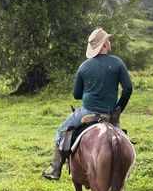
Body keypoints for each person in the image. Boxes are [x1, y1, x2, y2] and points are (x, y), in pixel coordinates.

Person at [42, 27, 133, 181]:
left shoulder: (84, 66)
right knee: (122, 142)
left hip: (87, 112)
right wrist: (118, 109)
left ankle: (56, 169)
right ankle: (125, 172)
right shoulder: (117, 63)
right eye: (108, 41)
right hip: (111, 115)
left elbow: (76, 95)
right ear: (105, 45)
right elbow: (128, 89)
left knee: (61, 133)